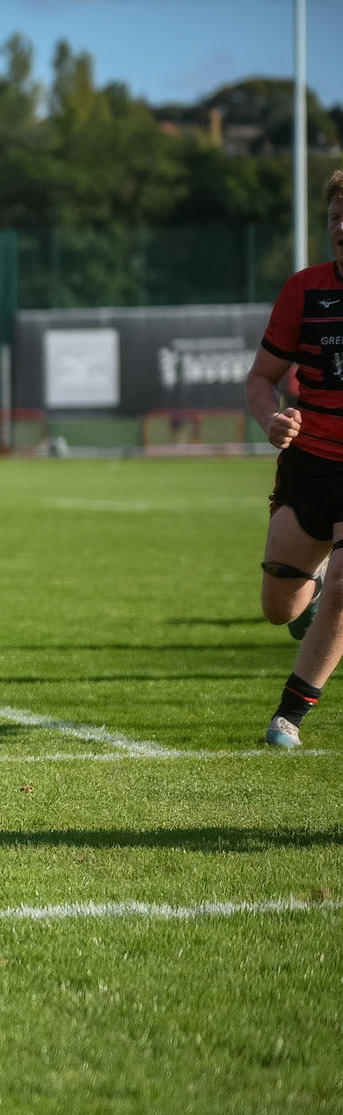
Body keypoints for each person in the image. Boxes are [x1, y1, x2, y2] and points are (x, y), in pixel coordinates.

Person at [249, 168, 343, 749]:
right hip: (308, 465)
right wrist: (271, 420)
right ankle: (310, 613)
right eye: (335, 218)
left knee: (342, 588)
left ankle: (288, 717)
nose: (341, 227)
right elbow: (262, 378)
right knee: (279, 608)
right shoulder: (304, 289)